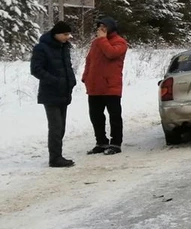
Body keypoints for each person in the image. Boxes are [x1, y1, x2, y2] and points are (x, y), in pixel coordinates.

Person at [30, 21, 78, 168]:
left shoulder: (64, 47)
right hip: (50, 93)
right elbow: (36, 69)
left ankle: (58, 155)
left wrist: (71, 81)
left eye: (69, 34)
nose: (68, 37)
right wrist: (55, 81)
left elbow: (67, 67)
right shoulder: (41, 48)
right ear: (56, 34)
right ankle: (55, 158)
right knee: (56, 127)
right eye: (65, 34)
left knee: (61, 126)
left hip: (64, 92)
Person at [82, 16, 128, 155]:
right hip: (95, 86)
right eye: (99, 27)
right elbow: (89, 60)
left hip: (111, 86)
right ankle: (101, 141)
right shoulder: (96, 43)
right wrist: (86, 77)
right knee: (96, 116)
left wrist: (102, 39)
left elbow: (111, 53)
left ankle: (115, 143)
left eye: (104, 27)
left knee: (114, 115)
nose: (101, 30)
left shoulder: (120, 42)